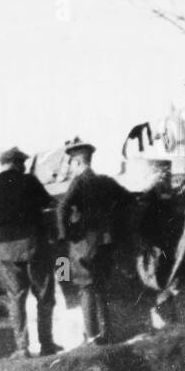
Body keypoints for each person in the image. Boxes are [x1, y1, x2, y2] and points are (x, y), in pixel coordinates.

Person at [0, 146, 60, 358]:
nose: (25, 165)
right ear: (17, 163)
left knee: (15, 298)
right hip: (33, 245)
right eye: (23, 162)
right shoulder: (29, 181)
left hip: (6, 249)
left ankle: (22, 347)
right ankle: (46, 344)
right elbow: (50, 204)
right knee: (44, 296)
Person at [57, 139, 131, 345]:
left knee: (86, 287)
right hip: (105, 243)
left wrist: (66, 235)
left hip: (84, 244)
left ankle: (91, 335)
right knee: (100, 287)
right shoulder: (106, 182)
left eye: (71, 163)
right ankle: (106, 332)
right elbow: (127, 200)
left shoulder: (79, 182)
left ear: (77, 162)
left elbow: (62, 208)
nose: (71, 167)